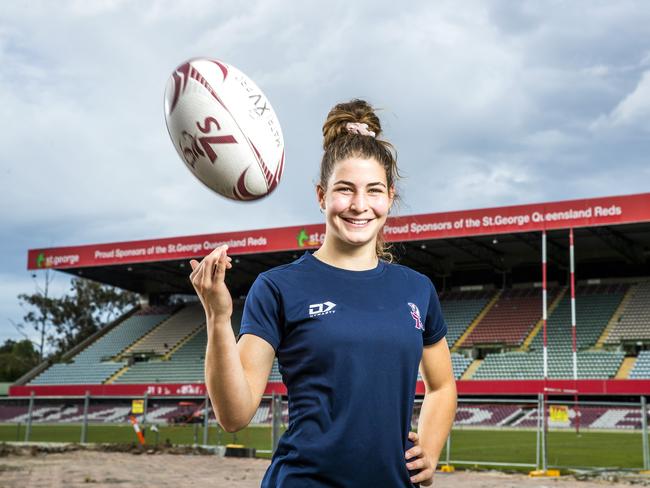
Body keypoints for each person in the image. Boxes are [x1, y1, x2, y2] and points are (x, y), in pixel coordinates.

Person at [190, 99, 457, 487]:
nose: (359, 205)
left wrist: (429, 451)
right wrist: (217, 317)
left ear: (390, 196)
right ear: (321, 195)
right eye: (344, 190)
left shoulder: (416, 289)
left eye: (374, 191)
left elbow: (443, 385)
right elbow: (235, 414)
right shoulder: (278, 287)